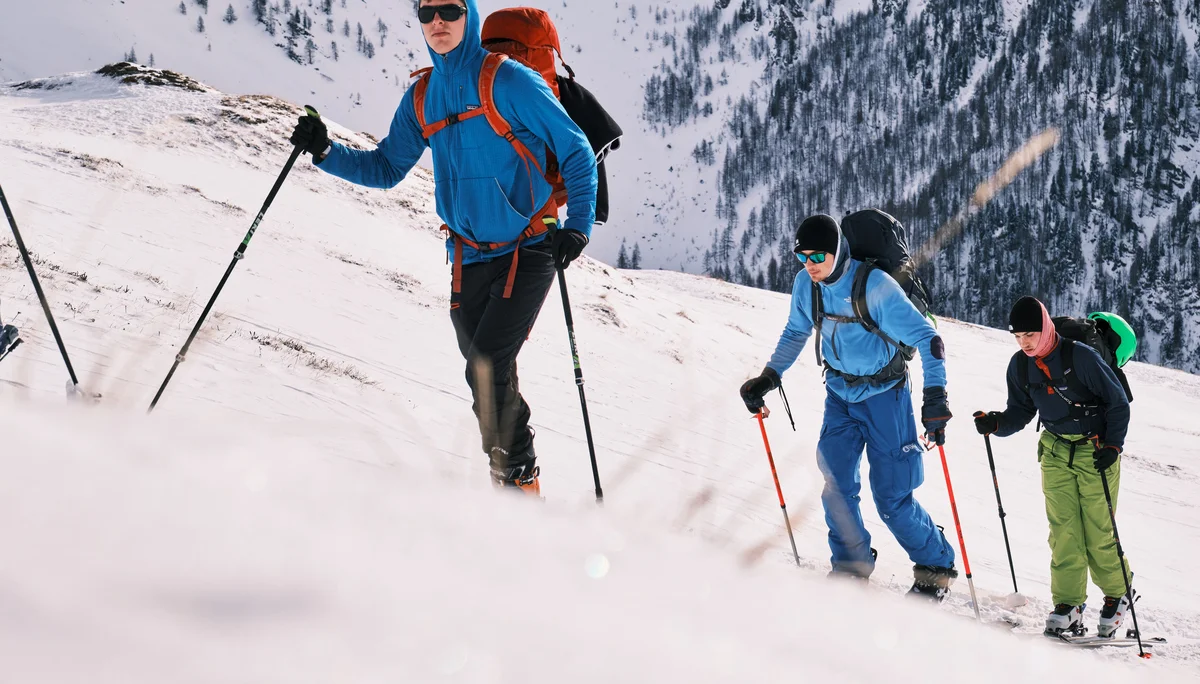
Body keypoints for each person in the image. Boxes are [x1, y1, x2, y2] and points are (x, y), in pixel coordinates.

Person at [288, 0, 598, 496]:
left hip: (529, 245)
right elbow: (386, 168)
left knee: (488, 367)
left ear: (468, 14)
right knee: (486, 373)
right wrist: (325, 151)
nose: (438, 21)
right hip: (468, 255)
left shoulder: (510, 81)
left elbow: (575, 147)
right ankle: (513, 484)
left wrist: (578, 225)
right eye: (427, 11)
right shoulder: (422, 96)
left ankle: (516, 483)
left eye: (450, 9)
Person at [740, 214, 958, 599]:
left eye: (817, 256)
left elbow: (930, 340)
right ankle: (851, 564)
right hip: (839, 395)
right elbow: (795, 331)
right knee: (836, 483)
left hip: (886, 397)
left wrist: (935, 397)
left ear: (837, 250)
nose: (809, 264)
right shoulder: (807, 285)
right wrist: (770, 376)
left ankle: (937, 567)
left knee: (892, 498)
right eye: (802, 256)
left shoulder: (874, 286)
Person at [973, 296, 1134, 636]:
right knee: (1063, 530)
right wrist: (996, 423)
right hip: (1055, 451)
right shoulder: (1020, 365)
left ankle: (1118, 593)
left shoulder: (1080, 357)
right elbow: (1020, 411)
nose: (1024, 343)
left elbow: (1118, 402)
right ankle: (1068, 603)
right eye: (1018, 337)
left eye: (1029, 334)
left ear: (1045, 327)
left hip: (1095, 450)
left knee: (1098, 530)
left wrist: (1113, 446)